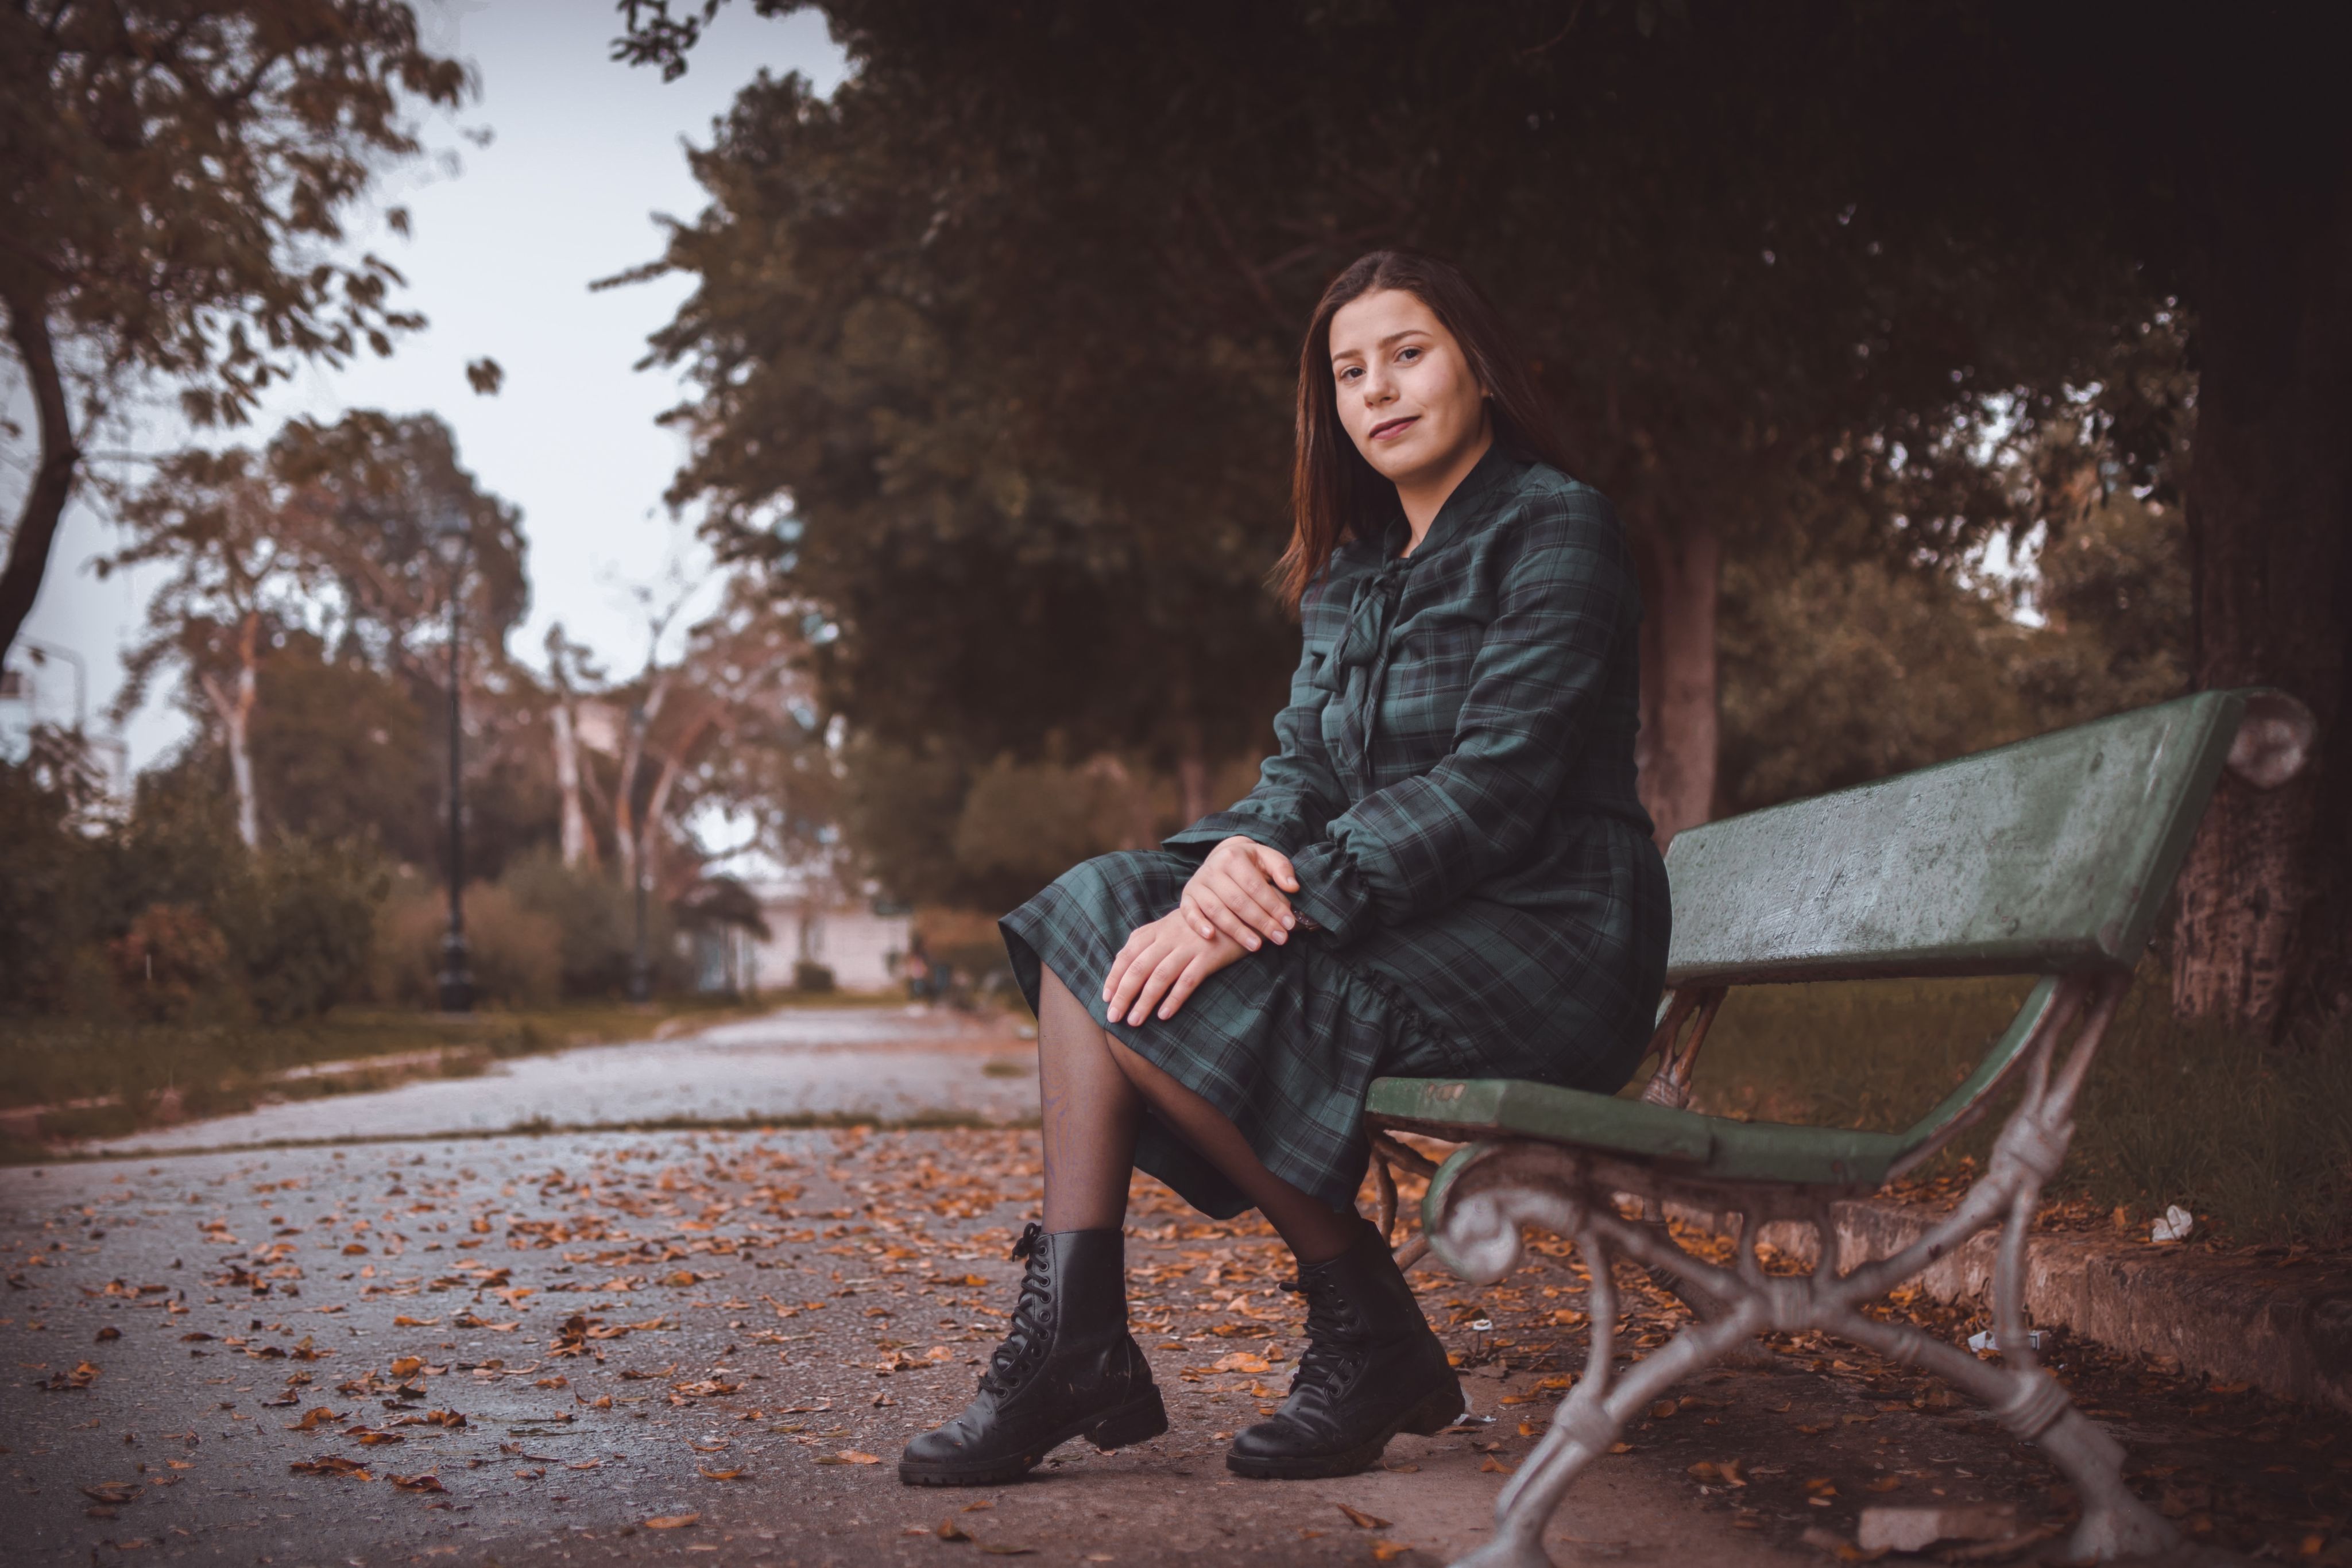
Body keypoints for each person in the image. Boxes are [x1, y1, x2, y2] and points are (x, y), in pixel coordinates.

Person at [898, 250, 1670, 1489]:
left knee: (1176, 976)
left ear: (1477, 364)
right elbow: (1301, 773)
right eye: (1348, 371)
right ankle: (1072, 1337)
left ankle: (1357, 1324)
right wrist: (1233, 864)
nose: (1377, 390)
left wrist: (1279, 903)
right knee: (1099, 910)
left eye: (1405, 354)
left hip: (1546, 933)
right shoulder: (1350, 571)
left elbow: (1496, 786)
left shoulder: (1554, 525)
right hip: (1403, 918)